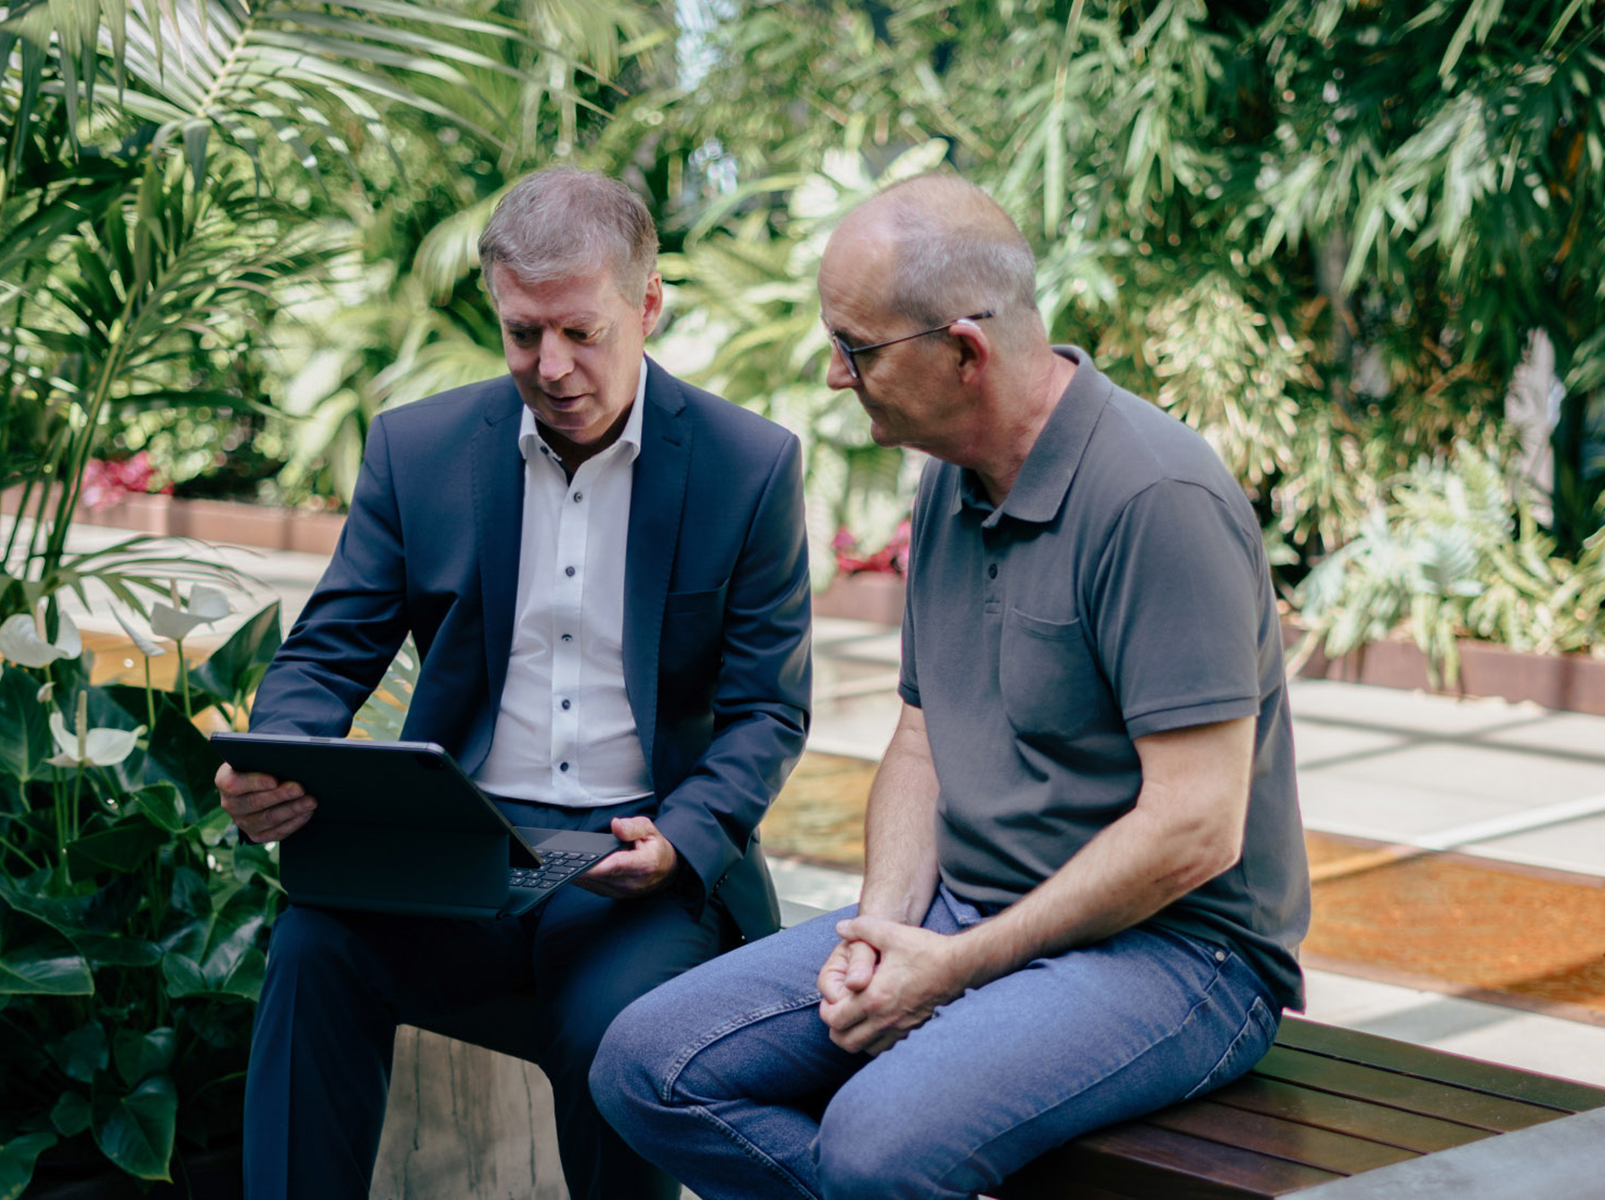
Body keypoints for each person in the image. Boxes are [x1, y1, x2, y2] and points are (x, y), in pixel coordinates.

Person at [591, 172, 1311, 1199]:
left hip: (1180, 955)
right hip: (963, 915)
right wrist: (880, 933)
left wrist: (959, 966)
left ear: (964, 352)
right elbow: (923, 744)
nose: (837, 377)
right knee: (646, 1066)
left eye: (856, 348)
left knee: (877, 1149)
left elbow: (1198, 829)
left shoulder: (1158, 498)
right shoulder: (951, 479)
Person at [218, 167, 813, 1200]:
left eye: (582, 332)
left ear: (649, 303)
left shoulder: (746, 466)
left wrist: (683, 838)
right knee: (316, 949)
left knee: (617, 1036)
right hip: (464, 849)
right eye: (523, 333)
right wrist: (284, 759)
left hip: (640, 864)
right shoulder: (421, 449)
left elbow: (768, 709)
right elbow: (327, 650)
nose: (553, 366)